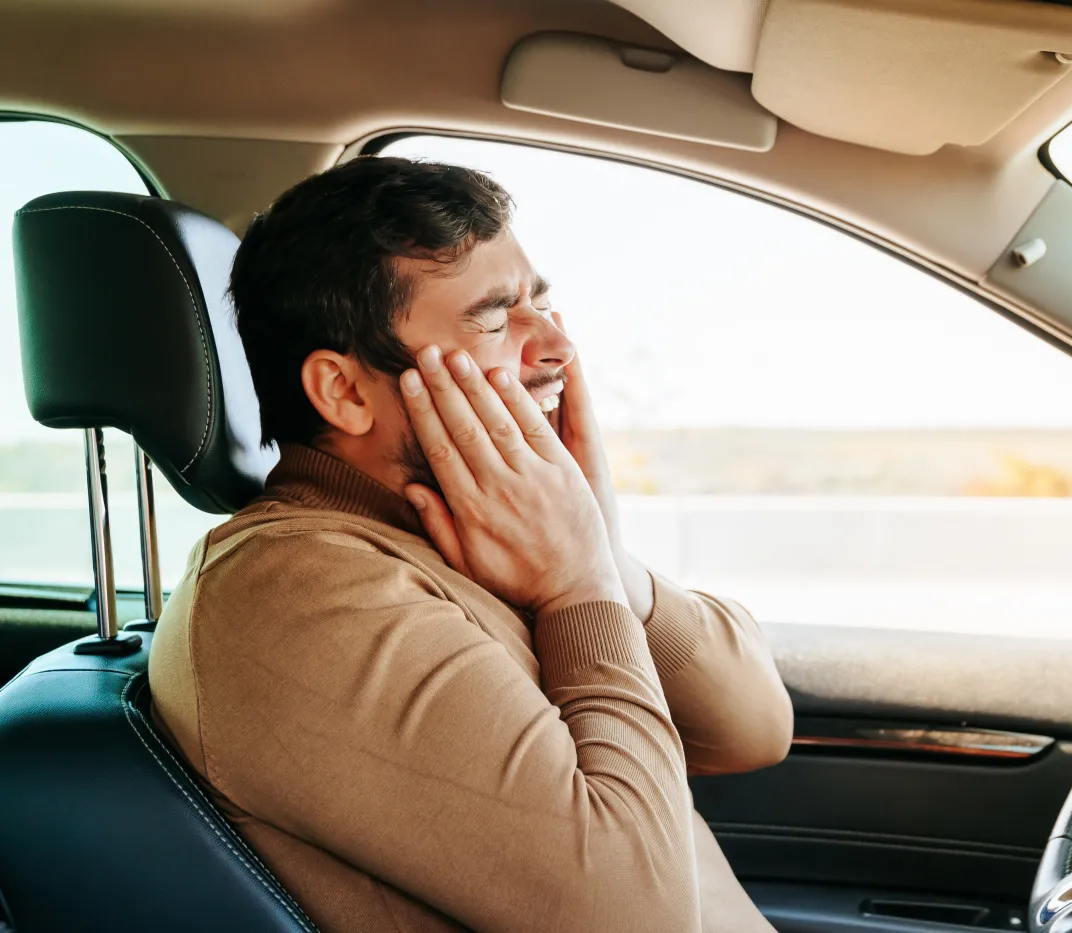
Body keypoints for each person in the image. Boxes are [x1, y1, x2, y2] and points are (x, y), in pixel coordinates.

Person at [149, 156, 793, 933]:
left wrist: (598, 549)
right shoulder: (296, 587)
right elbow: (634, 919)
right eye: (494, 318)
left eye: (543, 304)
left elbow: (753, 729)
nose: (557, 347)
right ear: (345, 392)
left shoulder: (488, 535)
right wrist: (577, 584)